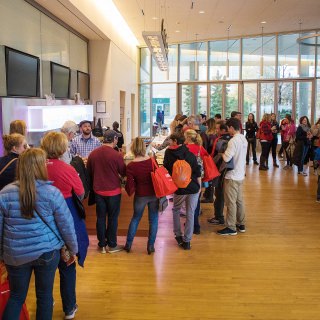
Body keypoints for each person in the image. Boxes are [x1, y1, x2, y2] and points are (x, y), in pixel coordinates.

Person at [0, 148, 78, 320]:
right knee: (44, 297)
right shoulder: (52, 193)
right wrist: (72, 249)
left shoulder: (4, 193)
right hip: (47, 252)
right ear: (40, 166)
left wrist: (2, 256)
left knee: (16, 297)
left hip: (15, 254)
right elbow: (66, 225)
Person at [41, 132, 89, 319]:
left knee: (44, 266)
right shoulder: (67, 169)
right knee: (67, 265)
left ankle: (47, 301)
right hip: (65, 220)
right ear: (62, 148)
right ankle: (69, 307)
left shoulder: (36, 167)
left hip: (41, 221)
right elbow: (81, 192)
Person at [87, 130, 126, 253]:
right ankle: (112, 245)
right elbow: (123, 172)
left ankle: (102, 245)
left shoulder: (93, 154)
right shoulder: (116, 155)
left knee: (101, 218)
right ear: (114, 139)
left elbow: (89, 172)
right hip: (113, 191)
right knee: (113, 218)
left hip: (98, 191)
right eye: (117, 139)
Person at [163, 133, 201, 250]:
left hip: (179, 188)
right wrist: (199, 187)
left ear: (175, 141)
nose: (169, 142)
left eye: (170, 140)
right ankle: (187, 241)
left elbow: (166, 169)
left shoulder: (169, 153)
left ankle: (178, 235)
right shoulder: (189, 154)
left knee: (176, 210)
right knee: (190, 212)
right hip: (193, 187)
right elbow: (197, 171)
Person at [124, 138, 159, 255]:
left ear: (133, 148)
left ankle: (128, 245)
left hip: (140, 195)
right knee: (153, 220)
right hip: (154, 194)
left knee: (135, 218)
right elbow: (158, 176)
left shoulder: (131, 166)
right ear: (144, 147)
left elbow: (130, 185)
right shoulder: (152, 161)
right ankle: (150, 246)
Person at [217, 118, 247, 236]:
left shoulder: (233, 141)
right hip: (240, 174)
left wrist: (221, 153)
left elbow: (227, 158)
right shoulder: (243, 139)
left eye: (228, 128)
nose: (227, 130)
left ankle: (231, 227)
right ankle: (241, 223)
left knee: (230, 202)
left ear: (231, 128)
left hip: (232, 175)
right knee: (239, 201)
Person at [184, 129, 209, 234]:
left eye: (185, 136)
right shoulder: (200, 148)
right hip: (199, 178)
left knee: (188, 203)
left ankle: (191, 224)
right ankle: (196, 225)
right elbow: (207, 157)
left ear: (188, 138)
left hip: (187, 178)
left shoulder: (185, 149)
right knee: (197, 202)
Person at [207, 122, 232, 225]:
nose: (216, 131)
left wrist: (210, 163)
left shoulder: (221, 141)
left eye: (217, 129)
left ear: (223, 130)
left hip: (220, 170)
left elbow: (219, 156)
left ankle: (219, 217)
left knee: (219, 193)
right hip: (229, 170)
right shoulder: (232, 140)